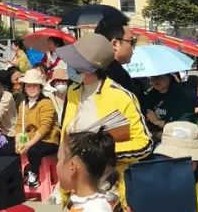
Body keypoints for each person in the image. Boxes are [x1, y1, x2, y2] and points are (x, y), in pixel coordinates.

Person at [57, 34, 152, 198]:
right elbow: (65, 138)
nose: (69, 67)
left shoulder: (120, 97)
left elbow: (144, 145)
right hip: (75, 187)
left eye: (75, 63)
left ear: (91, 68)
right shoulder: (73, 92)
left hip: (108, 190)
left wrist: (102, 151)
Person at [15, 69, 60, 188]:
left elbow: (45, 127)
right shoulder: (22, 105)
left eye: (35, 85)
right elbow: (19, 125)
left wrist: (29, 144)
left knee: (34, 150)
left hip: (48, 140)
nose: (31, 88)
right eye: (28, 85)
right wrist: (18, 141)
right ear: (24, 88)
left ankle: (33, 174)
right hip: (29, 138)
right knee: (7, 149)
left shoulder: (46, 102)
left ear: (40, 87)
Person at [94, 12, 142, 100]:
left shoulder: (87, 70)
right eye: (131, 41)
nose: (133, 47)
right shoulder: (118, 75)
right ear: (115, 44)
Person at [141, 73, 196, 141]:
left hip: (179, 137)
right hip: (156, 135)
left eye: (160, 77)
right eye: (153, 78)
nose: (156, 81)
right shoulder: (150, 96)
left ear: (169, 77)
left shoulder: (184, 95)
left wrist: (158, 122)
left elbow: (182, 125)